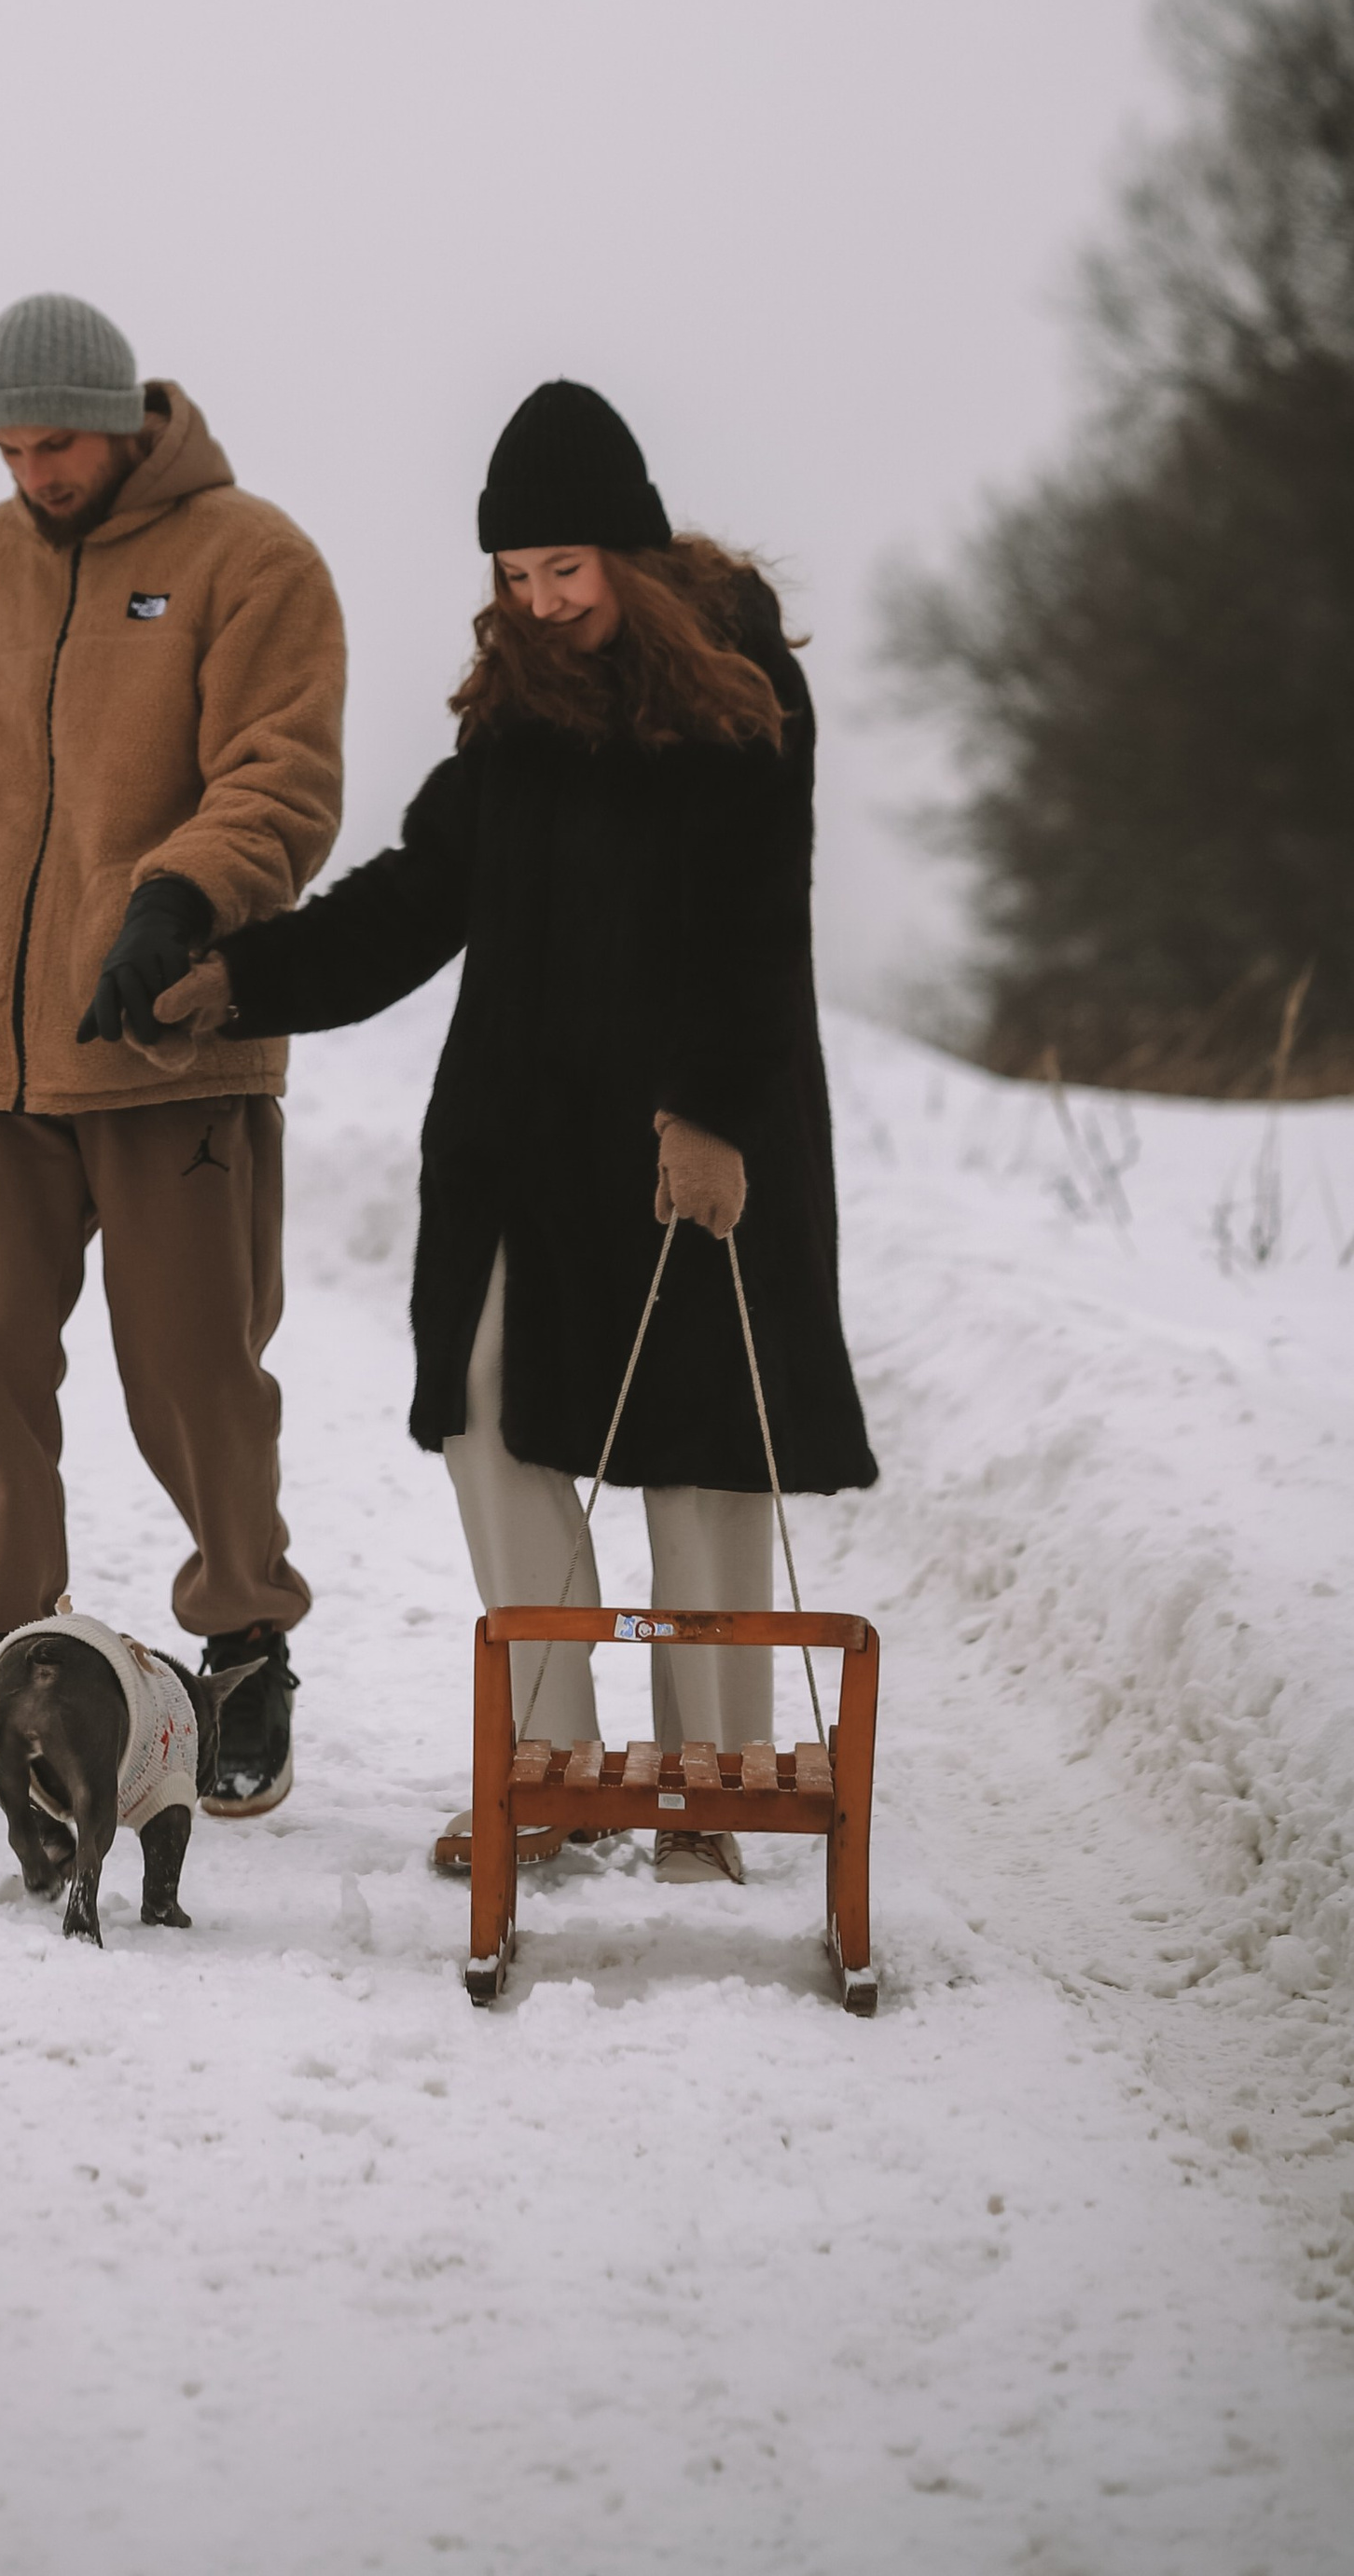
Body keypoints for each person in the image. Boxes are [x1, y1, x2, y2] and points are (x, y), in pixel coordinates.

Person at [159, 379, 876, 1879]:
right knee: (489, 1413)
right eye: (514, 577)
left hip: (697, 1137)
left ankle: (708, 1788)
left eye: (567, 570)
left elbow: (761, 923)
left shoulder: (737, 689)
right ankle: (545, 1774)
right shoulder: (517, 718)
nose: (543, 604)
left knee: (697, 1461)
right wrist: (240, 976)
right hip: (520, 1141)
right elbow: (416, 899)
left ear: (633, 554)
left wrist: (714, 1117)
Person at [0, 292, 345, 1813]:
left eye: (52, 442)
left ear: (122, 419)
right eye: (6, 446)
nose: (30, 472)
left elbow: (284, 776)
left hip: (169, 1044)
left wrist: (181, 897)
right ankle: (19, 1670)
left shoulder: (252, 558)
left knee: (191, 1372)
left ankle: (244, 1648)